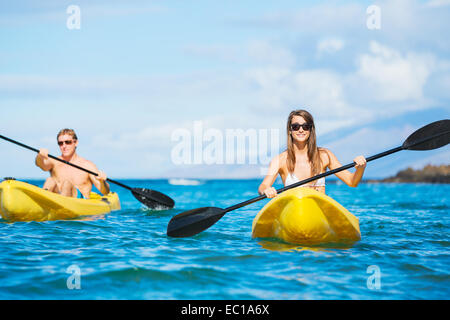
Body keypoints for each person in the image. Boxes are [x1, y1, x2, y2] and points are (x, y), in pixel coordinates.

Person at [258, 109, 367, 198]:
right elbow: (263, 186)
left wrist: (360, 168)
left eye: (305, 126)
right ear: (290, 130)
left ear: (311, 130)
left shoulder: (324, 155)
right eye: (296, 126)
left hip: (319, 209)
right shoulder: (280, 160)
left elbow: (352, 182)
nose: (301, 130)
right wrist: (266, 190)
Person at [35, 128, 110, 199]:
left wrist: (102, 181)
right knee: (50, 180)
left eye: (68, 142)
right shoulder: (54, 162)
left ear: (75, 143)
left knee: (67, 184)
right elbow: (41, 165)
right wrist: (40, 156)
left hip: (80, 203)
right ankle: (42, 204)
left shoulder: (87, 165)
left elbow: (105, 191)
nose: (64, 146)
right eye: (60, 143)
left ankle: (61, 206)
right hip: (58, 199)